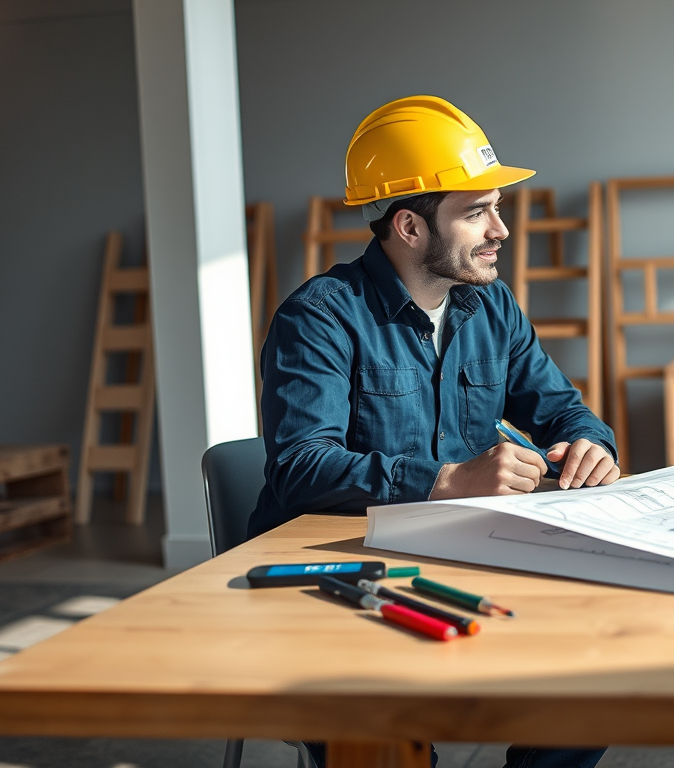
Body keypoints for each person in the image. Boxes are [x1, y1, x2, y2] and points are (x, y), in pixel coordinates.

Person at [248, 95, 620, 768]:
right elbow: (301, 466)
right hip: (334, 578)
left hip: (456, 558)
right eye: (477, 212)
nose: (501, 229)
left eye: (497, 207)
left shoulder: (491, 307)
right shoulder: (320, 319)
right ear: (410, 227)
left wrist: (592, 444)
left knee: (594, 681)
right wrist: (447, 479)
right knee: (385, 739)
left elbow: (565, 409)